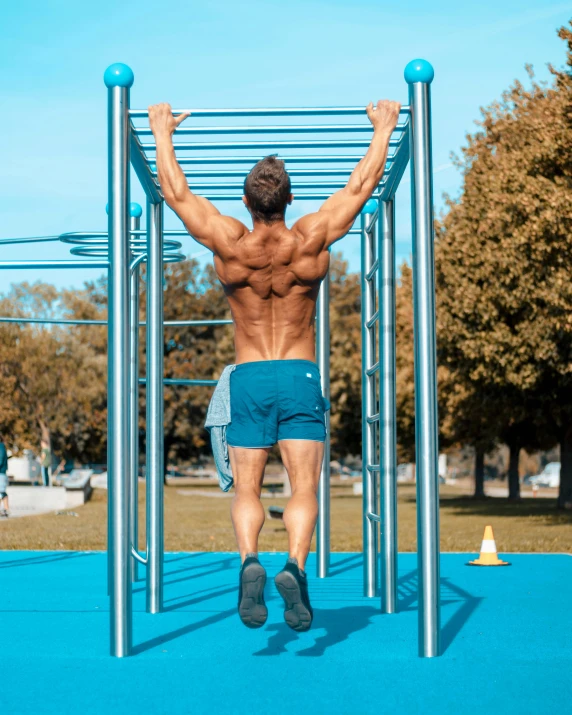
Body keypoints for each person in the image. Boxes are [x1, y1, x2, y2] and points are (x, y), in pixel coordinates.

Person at [149, 99, 401, 631]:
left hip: (250, 376)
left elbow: (176, 193)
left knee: (247, 490)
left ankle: (249, 561)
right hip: (300, 373)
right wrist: (383, 128)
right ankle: (294, 566)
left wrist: (161, 132)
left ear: (245, 200)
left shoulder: (229, 242)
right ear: (291, 200)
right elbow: (360, 187)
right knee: (303, 488)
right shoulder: (308, 239)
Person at [0, 438, 10, 517]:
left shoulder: (1, 447)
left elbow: (0, 460)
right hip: (2, 473)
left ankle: (6, 509)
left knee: (1, 492)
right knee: (2, 492)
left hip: (1, 473)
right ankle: (6, 509)